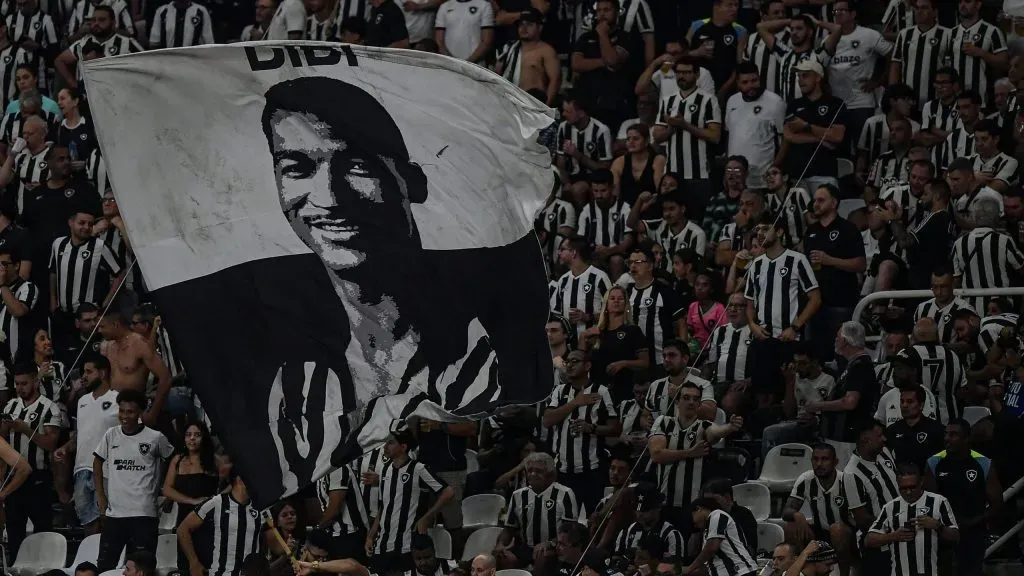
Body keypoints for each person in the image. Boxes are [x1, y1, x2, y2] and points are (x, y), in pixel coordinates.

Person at [93, 389, 175, 571]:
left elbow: (173, 459)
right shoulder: (110, 435)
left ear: (140, 413)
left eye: (130, 412)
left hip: (144, 513)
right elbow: (97, 462)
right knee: (105, 566)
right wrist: (101, 496)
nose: (124, 416)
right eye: (121, 411)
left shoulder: (155, 438)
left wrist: (167, 491)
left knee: (142, 568)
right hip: (115, 514)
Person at [648, 381, 742, 532]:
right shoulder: (664, 422)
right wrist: (689, 453)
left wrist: (729, 427)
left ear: (699, 404)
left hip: (692, 505)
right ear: (677, 401)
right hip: (665, 502)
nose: (691, 402)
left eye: (696, 399)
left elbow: (716, 432)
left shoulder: (703, 425)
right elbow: (657, 454)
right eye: (686, 397)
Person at [365, 423, 453, 574]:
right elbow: (383, 506)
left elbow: (448, 492)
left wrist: (426, 517)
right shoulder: (384, 470)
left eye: (391, 443)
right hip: (383, 544)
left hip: (407, 545)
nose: (385, 446)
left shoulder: (418, 469)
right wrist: (371, 535)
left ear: (403, 447)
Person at [541, 349, 620, 512]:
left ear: (587, 365)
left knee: (594, 519)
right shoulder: (559, 391)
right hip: (563, 471)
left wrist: (591, 428)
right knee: (565, 521)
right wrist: (575, 403)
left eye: (574, 361)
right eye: (567, 361)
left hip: (592, 470)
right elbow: (547, 420)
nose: (569, 365)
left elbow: (615, 428)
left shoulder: (601, 391)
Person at [924, 419, 1002, 576]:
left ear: (967, 438)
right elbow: (928, 501)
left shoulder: (983, 463)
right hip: (942, 533)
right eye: (946, 434)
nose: (947, 438)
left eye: (953, 435)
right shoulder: (934, 462)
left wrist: (973, 522)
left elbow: (997, 504)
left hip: (973, 533)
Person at [52, 354, 119, 534]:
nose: (84, 376)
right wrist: (65, 448)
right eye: (84, 372)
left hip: (107, 469)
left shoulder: (118, 399)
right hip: (81, 468)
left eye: (89, 372)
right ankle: (92, 559)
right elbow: (80, 435)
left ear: (103, 373)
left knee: (108, 518)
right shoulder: (82, 401)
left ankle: (109, 559)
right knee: (86, 519)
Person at [2, 362, 61, 559]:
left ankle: (47, 565)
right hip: (13, 477)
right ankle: (14, 565)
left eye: (24, 383)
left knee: (43, 527)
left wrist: (26, 429)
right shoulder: (11, 405)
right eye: (17, 384)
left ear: (35, 382)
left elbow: (51, 444)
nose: (20, 388)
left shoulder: (49, 408)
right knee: (14, 528)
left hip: (39, 476)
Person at [802, 184, 867, 362]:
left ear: (834, 203)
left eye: (821, 200)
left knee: (841, 353)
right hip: (815, 304)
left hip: (841, 302)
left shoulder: (848, 229)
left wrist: (830, 260)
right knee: (815, 355)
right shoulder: (811, 232)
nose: (816, 204)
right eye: (814, 200)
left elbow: (861, 264)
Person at [865, 463, 959, 576]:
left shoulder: (939, 502)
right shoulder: (890, 507)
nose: (908, 492)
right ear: (898, 485)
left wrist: (938, 526)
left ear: (921, 482)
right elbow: (868, 540)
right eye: (903, 488)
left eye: (912, 487)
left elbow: (956, 537)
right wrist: (893, 536)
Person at [809, 322, 879, 468]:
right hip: (841, 437)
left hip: (847, 439)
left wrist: (818, 406)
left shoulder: (860, 366)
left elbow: (850, 402)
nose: (835, 340)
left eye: (837, 337)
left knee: (843, 479)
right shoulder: (853, 364)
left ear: (845, 341)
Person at [782, 444, 855, 576]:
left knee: (836, 529)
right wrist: (798, 515)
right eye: (815, 459)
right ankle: (797, 571)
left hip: (847, 535)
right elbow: (786, 511)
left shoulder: (847, 481)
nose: (819, 463)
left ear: (835, 462)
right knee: (790, 526)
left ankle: (845, 573)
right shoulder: (806, 479)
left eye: (824, 459)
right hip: (819, 532)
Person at [177, 468, 262, 576]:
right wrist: (194, 563)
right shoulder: (216, 503)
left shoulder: (261, 508)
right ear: (240, 479)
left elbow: (275, 546)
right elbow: (182, 529)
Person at [843, 419, 899, 576]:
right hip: (878, 542)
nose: (884, 439)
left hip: (901, 533)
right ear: (865, 439)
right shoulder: (851, 474)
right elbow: (862, 519)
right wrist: (892, 527)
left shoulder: (885, 453)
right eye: (879, 435)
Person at [163, 421, 220, 573]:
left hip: (207, 521)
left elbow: (231, 483)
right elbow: (167, 489)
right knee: (185, 565)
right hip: (183, 517)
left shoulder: (213, 461)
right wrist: (192, 501)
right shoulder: (177, 460)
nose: (192, 439)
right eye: (188, 435)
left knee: (206, 565)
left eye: (197, 435)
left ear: (204, 438)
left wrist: (215, 500)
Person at [98, 309, 171, 424]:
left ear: (115, 324)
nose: (99, 330)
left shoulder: (139, 344)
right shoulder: (108, 347)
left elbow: (165, 378)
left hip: (135, 409)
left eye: (102, 326)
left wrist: (153, 413)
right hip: (110, 407)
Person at [503, 452, 580, 548]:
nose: (533, 474)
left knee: (542, 556)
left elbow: (570, 530)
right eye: (530, 471)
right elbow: (508, 529)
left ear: (550, 474)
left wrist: (550, 543)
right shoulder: (518, 495)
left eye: (539, 471)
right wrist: (500, 545)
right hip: (525, 548)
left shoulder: (565, 493)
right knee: (501, 557)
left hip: (554, 548)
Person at [494, 10, 560, 105]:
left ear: (540, 27)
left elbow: (555, 80)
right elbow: (497, 75)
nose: (524, 28)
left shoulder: (547, 51)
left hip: (533, 104)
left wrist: (545, 108)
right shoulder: (509, 48)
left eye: (529, 24)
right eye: (521, 24)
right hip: (509, 103)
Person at [685, 497, 759, 576]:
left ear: (698, 509)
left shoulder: (717, 515)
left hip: (739, 571)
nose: (694, 525)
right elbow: (709, 566)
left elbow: (711, 548)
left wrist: (690, 568)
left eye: (692, 518)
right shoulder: (707, 533)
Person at [702, 478, 757, 554]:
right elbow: (692, 552)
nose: (709, 505)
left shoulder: (744, 515)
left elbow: (750, 549)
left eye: (713, 500)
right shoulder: (707, 516)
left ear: (727, 497)